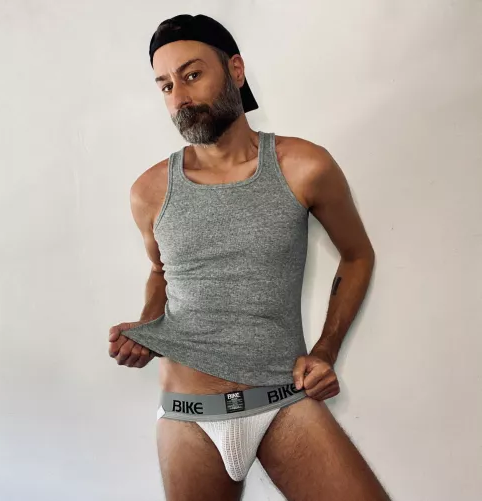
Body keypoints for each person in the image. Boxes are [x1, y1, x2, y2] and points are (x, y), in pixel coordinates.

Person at [108, 13, 391, 501]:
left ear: (235, 70)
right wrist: (147, 329)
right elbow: (161, 271)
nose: (179, 97)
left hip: (282, 399)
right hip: (188, 415)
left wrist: (326, 350)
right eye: (166, 85)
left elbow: (357, 255)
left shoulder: (303, 166)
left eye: (192, 75)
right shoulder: (149, 191)